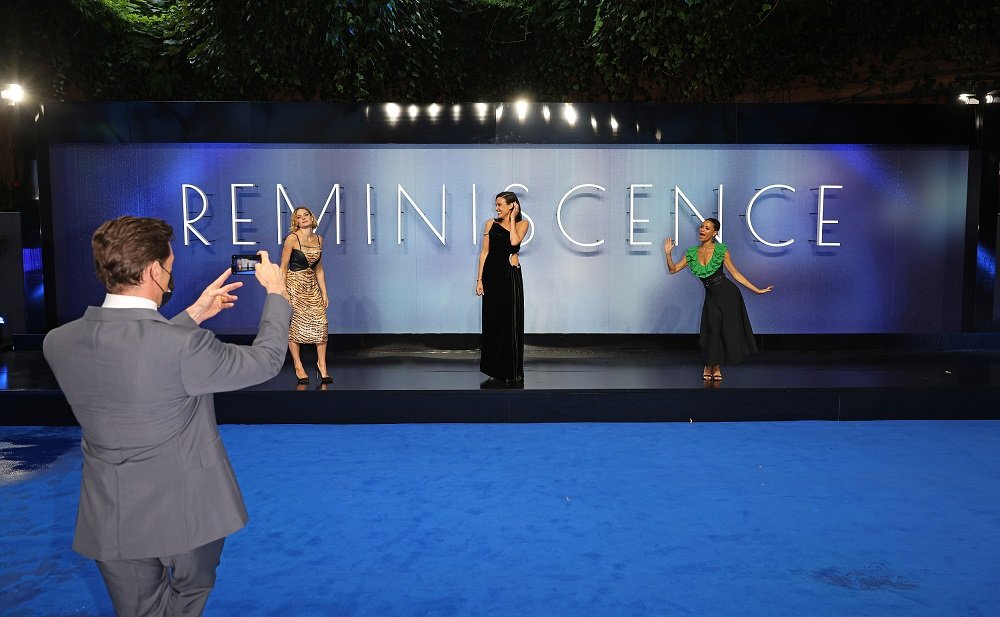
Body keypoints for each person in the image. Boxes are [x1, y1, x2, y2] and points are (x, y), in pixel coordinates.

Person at [42, 216, 291, 617]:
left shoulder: (58, 343)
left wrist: (191, 314)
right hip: (190, 517)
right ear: (155, 270)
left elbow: (136, 358)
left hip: (111, 518)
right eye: (170, 267)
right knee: (190, 596)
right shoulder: (183, 348)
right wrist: (278, 294)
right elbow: (264, 361)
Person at [663, 217, 773, 381]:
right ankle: (709, 364)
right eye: (701, 227)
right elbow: (673, 270)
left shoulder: (721, 250)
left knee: (724, 331)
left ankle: (716, 366)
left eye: (707, 228)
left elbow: (735, 274)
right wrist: (668, 254)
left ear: (714, 233)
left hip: (729, 294)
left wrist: (756, 289)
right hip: (712, 296)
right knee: (712, 331)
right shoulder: (692, 252)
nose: (702, 230)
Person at [476, 191, 529, 385]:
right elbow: (484, 253)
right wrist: (479, 280)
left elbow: (514, 242)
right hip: (492, 277)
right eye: (496, 204)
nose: (496, 208)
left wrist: (513, 218)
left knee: (511, 322)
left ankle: (511, 371)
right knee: (493, 322)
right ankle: (495, 370)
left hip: (510, 276)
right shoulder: (490, 224)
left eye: (500, 204)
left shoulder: (523, 224)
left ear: (511, 205)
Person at [280, 206, 331, 384]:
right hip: (294, 285)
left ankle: (322, 364)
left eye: (305, 215)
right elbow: (283, 268)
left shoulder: (319, 239)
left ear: (311, 217)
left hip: (311, 287)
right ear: (296, 221)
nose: (303, 218)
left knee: (321, 323)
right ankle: (298, 365)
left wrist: (324, 291)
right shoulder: (292, 239)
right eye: (299, 217)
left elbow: (319, 268)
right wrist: (284, 291)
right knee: (296, 326)